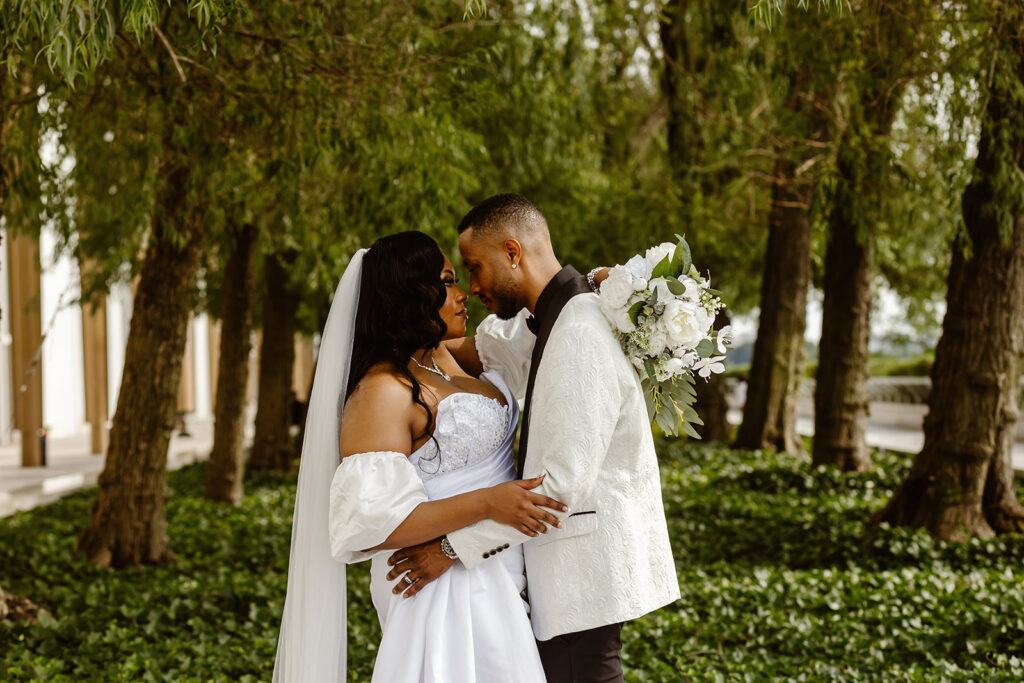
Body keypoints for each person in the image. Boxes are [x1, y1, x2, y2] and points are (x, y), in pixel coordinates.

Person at [386, 195, 681, 683]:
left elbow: (559, 488)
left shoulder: (579, 331)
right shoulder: (558, 318)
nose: (473, 285)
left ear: (513, 252)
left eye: (474, 267)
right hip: (564, 581)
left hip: (579, 584)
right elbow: (488, 352)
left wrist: (449, 550)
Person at [272, 231, 566, 682]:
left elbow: (538, 333)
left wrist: (596, 289)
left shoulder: (453, 357)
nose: (462, 293)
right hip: (440, 587)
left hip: (501, 569)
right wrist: (488, 503)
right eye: (447, 282)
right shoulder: (383, 392)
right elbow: (372, 525)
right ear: (409, 294)